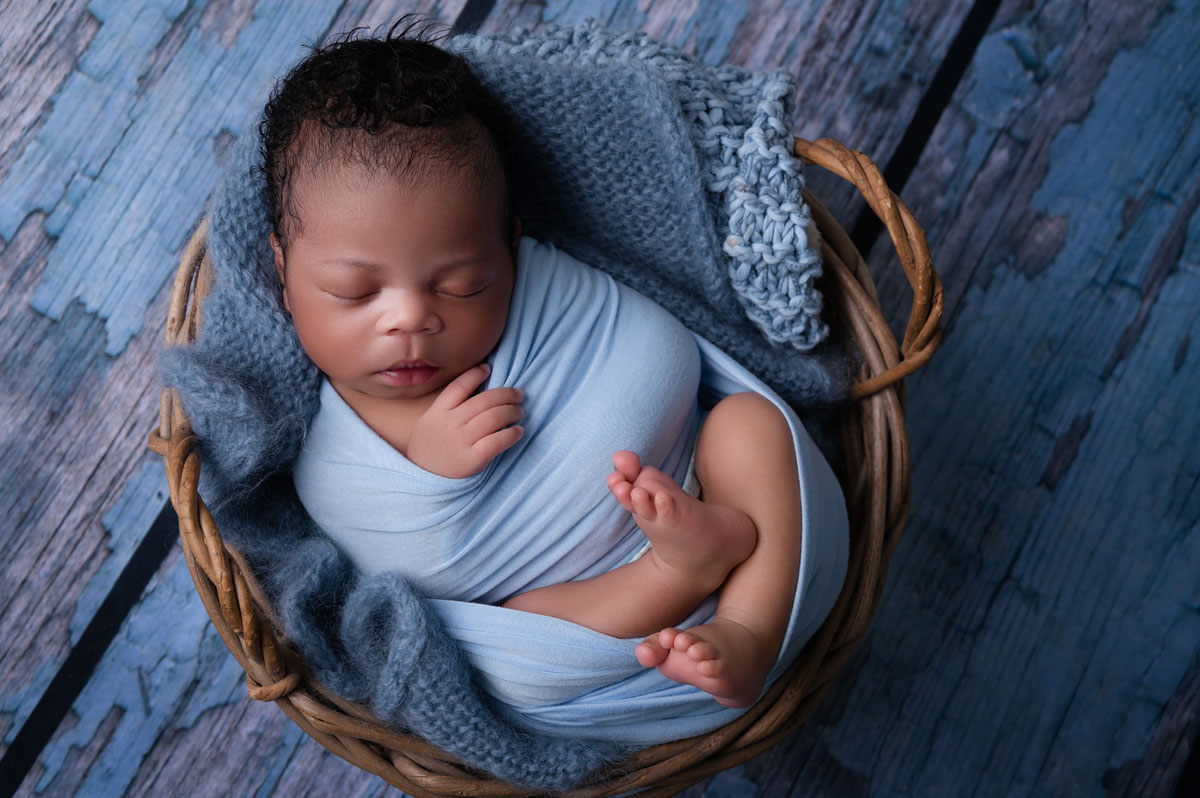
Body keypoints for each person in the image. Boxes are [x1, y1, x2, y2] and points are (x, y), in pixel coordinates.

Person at [261, 26, 805, 709]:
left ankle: (751, 628)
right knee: (503, 661)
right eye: (355, 292)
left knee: (752, 424)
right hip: (592, 624)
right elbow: (404, 562)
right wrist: (427, 468)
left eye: (459, 284)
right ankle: (679, 572)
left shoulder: (543, 288)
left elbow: (644, 332)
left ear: (511, 245)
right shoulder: (325, 451)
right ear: (283, 272)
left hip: (705, 478)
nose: (409, 320)